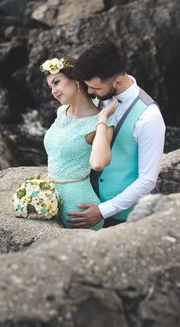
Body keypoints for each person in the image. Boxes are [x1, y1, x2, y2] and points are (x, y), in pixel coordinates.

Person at [68, 39, 166, 228]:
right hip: (90, 202)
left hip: (127, 218)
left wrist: (103, 211)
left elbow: (147, 180)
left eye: (95, 88)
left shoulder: (149, 117)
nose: (89, 92)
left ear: (118, 81)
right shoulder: (97, 98)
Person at [40, 57, 118, 230]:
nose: (53, 91)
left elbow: (99, 164)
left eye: (57, 82)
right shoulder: (61, 111)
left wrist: (103, 118)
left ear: (76, 79)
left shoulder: (99, 123)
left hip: (78, 209)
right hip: (50, 200)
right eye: (51, 87)